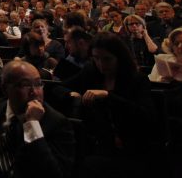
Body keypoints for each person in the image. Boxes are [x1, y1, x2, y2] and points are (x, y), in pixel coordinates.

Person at [0, 60, 75, 178]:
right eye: (25, 85)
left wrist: (32, 125)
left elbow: (55, 174)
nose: (35, 92)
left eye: (38, 84)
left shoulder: (57, 122)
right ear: (5, 89)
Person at [64, 33, 155, 178]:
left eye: (107, 59)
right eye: (96, 58)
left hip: (132, 145)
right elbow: (60, 87)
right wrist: (72, 94)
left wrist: (108, 97)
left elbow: (145, 116)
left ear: (119, 58)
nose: (101, 64)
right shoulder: (91, 71)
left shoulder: (136, 79)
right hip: (99, 142)